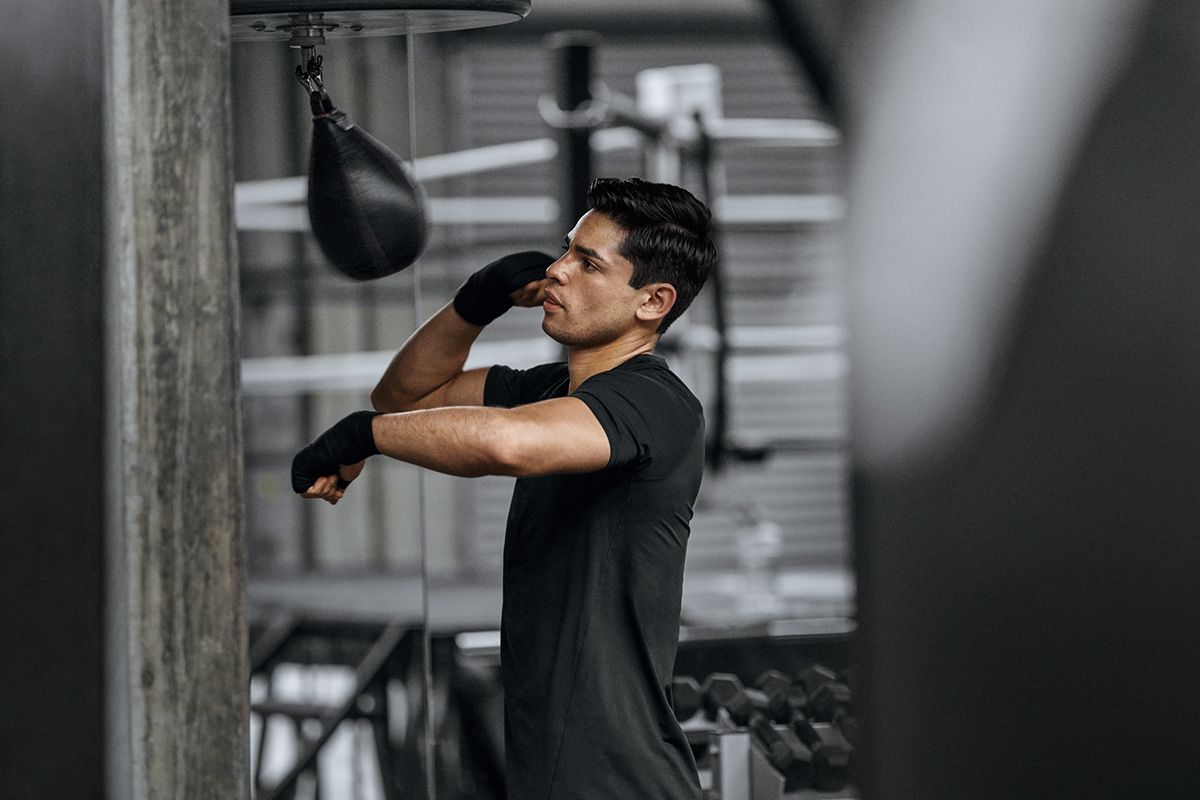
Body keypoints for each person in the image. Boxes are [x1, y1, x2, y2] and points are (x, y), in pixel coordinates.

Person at [291, 177, 717, 799]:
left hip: (618, 778)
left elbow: (508, 444)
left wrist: (365, 436)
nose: (557, 269)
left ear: (652, 302)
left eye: (588, 263)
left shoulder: (654, 400)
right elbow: (403, 398)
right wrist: (477, 301)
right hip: (553, 769)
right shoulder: (547, 391)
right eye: (566, 249)